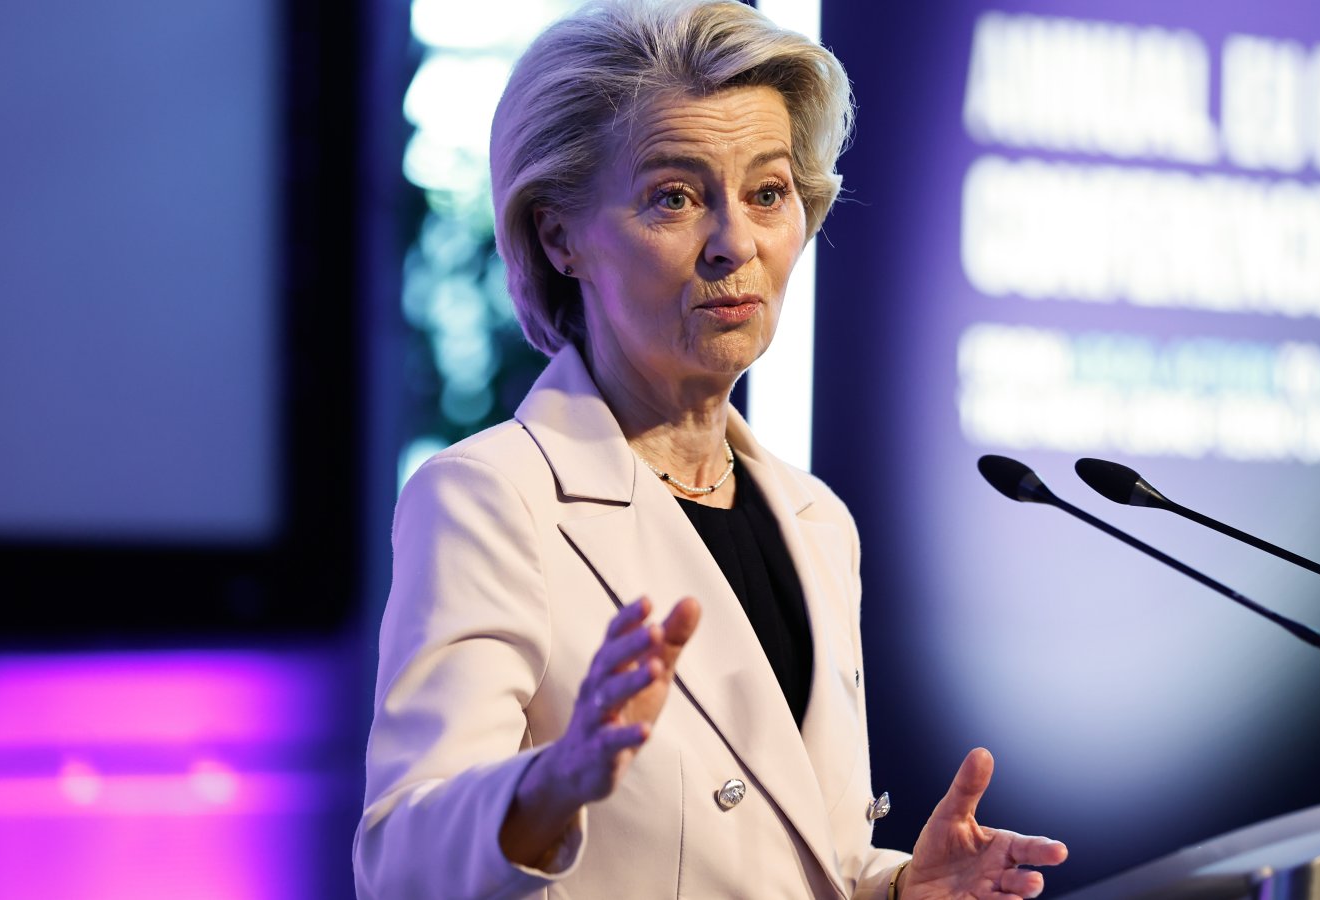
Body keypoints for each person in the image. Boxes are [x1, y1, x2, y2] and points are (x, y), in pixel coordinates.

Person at [353, 1, 1068, 897]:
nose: (736, 244)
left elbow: (793, 853)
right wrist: (556, 781)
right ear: (559, 235)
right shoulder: (493, 497)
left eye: (768, 194)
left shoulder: (816, 519)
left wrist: (895, 888)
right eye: (675, 197)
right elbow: (401, 861)